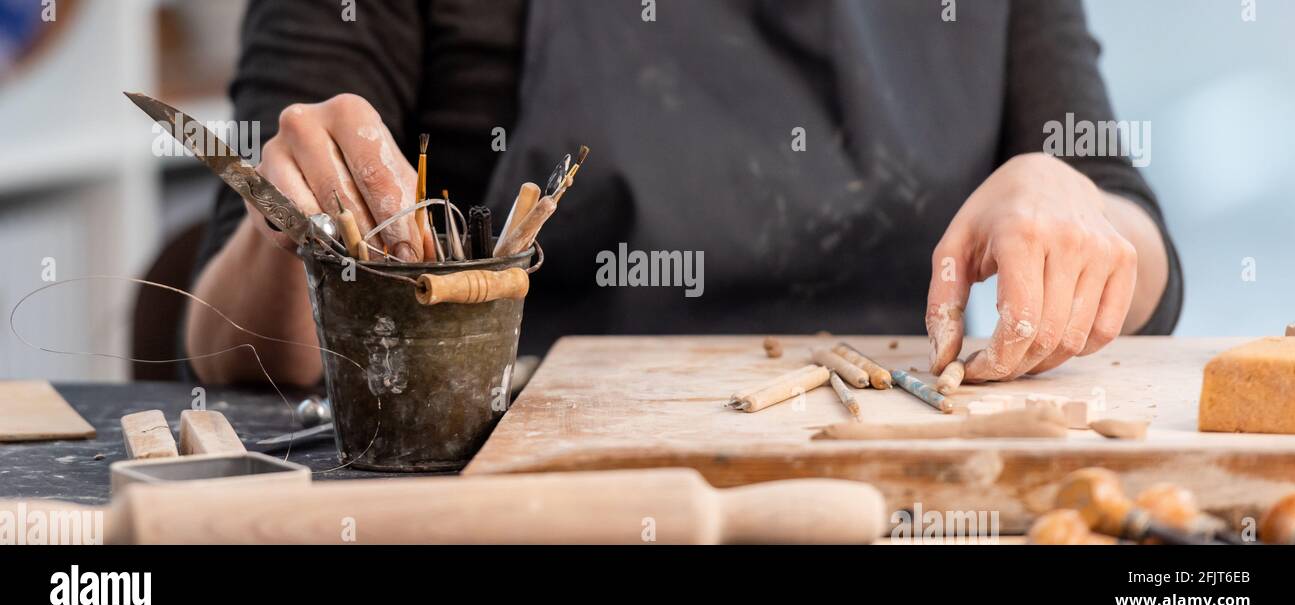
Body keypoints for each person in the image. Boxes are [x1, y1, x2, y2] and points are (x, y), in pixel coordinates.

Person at [187, 0, 1181, 387]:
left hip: (900, 454)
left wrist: (1077, 209)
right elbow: (238, 353)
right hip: (531, 494)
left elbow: (1138, 251)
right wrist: (299, 233)